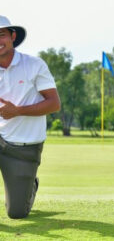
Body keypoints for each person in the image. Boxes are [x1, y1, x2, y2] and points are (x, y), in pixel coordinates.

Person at [0, 15, 60, 219]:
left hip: (22, 147)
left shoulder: (34, 65)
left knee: (16, 213)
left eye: (1, 35)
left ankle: (29, 185)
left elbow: (54, 103)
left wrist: (17, 111)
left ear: (13, 36)